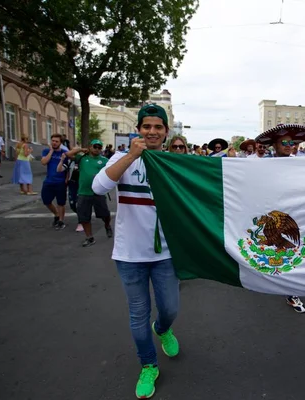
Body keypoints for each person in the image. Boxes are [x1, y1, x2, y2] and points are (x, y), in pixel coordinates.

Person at [92, 104, 179, 399]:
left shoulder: (173, 162)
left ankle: (163, 329)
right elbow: (97, 186)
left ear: (166, 132)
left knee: (170, 308)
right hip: (130, 256)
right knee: (137, 314)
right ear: (138, 130)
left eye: (158, 127)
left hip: (165, 254)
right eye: (147, 126)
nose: (152, 132)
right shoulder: (122, 158)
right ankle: (149, 365)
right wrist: (131, 156)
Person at [255, 123, 305, 314]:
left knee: (295, 250)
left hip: (297, 213)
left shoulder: (303, 164)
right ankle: (269, 280)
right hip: (272, 210)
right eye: (285, 142)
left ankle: (292, 290)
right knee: (274, 250)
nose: (289, 145)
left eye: (293, 142)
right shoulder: (262, 166)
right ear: (274, 145)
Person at [64, 139, 113, 247]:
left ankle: (107, 225)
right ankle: (89, 237)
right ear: (90, 147)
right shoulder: (82, 158)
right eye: (94, 146)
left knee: (105, 214)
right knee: (84, 217)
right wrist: (81, 149)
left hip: (98, 192)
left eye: (99, 147)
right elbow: (68, 154)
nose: (97, 149)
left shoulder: (105, 160)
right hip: (83, 192)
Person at [41, 133, 71, 229]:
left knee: (61, 203)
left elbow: (68, 168)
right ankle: (56, 214)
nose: (54, 143)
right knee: (46, 201)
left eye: (56, 141)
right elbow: (44, 162)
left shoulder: (64, 153)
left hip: (60, 182)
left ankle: (61, 221)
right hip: (49, 181)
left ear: (60, 143)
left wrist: (67, 179)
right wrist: (51, 151)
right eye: (53, 141)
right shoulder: (46, 151)